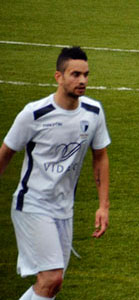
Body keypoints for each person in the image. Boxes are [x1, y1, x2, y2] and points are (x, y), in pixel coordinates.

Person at [0, 46, 111, 300]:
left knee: (52, 285)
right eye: (75, 74)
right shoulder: (35, 114)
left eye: (86, 74)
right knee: (51, 278)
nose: (82, 80)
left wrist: (103, 205)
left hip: (64, 208)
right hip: (32, 204)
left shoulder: (93, 112)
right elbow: (6, 153)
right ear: (58, 77)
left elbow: (100, 156)